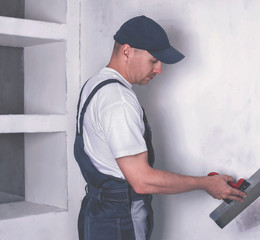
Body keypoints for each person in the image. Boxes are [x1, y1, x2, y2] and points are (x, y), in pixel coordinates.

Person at [74, 15, 246, 240]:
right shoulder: (119, 100)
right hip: (119, 219)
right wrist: (206, 184)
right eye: (154, 60)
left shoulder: (95, 85)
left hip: (95, 214)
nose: (159, 70)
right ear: (127, 51)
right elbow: (142, 180)